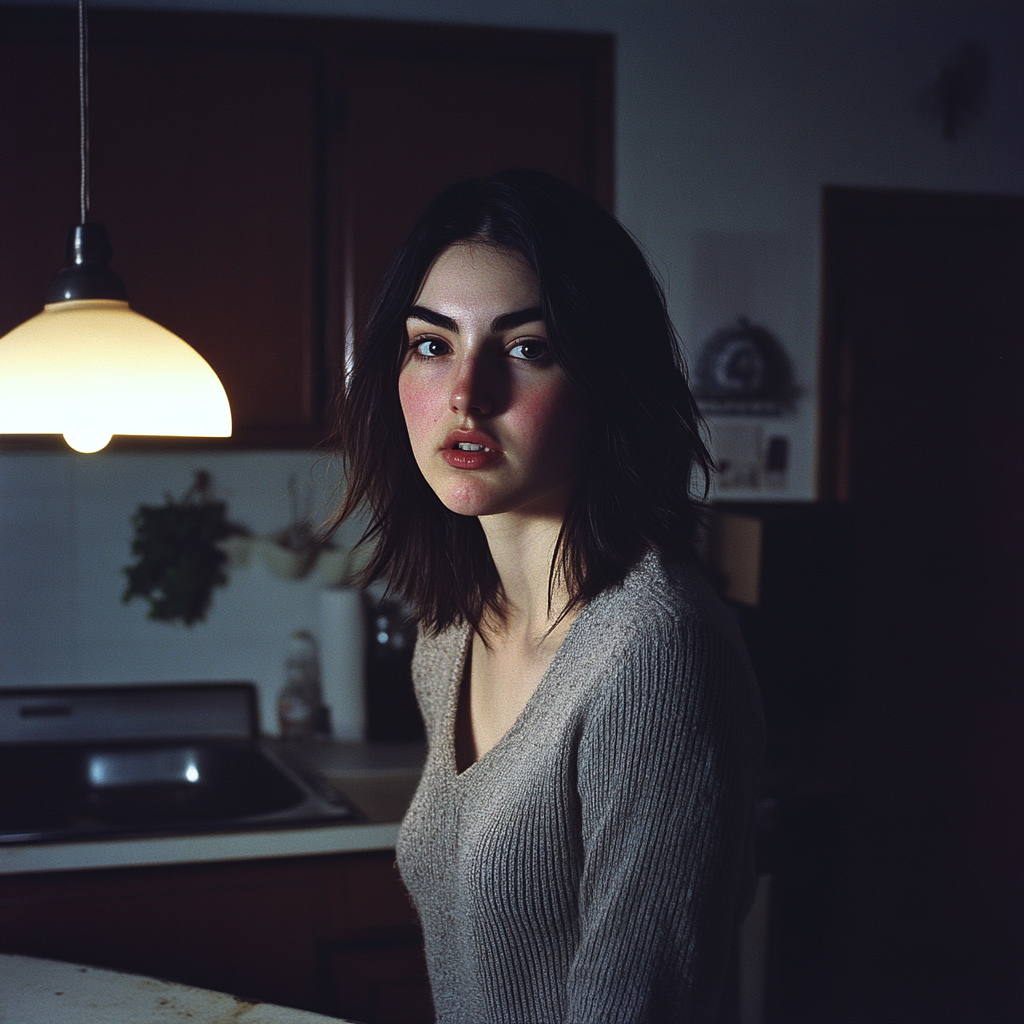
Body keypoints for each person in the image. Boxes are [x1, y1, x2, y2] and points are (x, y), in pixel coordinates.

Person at [330, 169, 764, 1023]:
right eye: (432, 343)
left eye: (527, 348)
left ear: (608, 380)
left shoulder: (654, 655)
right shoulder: (452, 628)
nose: (467, 393)